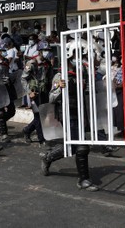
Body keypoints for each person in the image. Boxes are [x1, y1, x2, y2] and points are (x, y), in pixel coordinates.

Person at [40, 39, 99, 191]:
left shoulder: (83, 72)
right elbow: (51, 98)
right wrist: (60, 88)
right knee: (81, 146)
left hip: (81, 112)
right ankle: (84, 179)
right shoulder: (61, 75)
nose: (80, 58)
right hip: (68, 113)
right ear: (69, 57)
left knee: (73, 146)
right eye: (76, 55)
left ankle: (48, 157)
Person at [21, 40, 53, 145]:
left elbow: (50, 78)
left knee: (43, 115)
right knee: (38, 115)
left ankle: (27, 130)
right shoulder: (31, 63)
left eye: (48, 50)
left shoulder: (47, 63)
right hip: (34, 93)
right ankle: (41, 139)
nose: (46, 53)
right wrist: (29, 92)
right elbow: (23, 79)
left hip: (44, 92)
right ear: (39, 51)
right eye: (44, 50)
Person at [0, 40, 17, 142]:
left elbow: (7, 73)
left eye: (5, 49)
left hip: (7, 88)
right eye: (3, 50)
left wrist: (9, 79)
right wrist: (0, 82)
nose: (5, 51)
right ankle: (4, 134)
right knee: (0, 112)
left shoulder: (5, 62)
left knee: (12, 111)